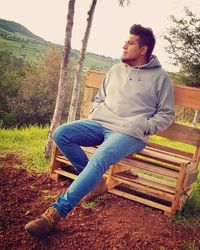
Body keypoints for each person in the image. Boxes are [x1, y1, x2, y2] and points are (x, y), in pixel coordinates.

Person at [25, 24, 175, 238]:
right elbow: (100, 97)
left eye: (130, 43)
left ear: (143, 49)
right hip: (101, 123)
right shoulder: (115, 70)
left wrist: (143, 126)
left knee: (100, 157)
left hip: (130, 133)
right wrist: (97, 111)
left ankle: (53, 215)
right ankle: (96, 184)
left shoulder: (161, 78)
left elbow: (167, 114)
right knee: (61, 134)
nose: (124, 46)